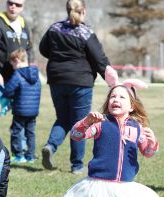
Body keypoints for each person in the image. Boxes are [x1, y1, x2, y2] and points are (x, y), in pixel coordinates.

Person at [60, 67, 164, 197]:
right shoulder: (100, 123)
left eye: (121, 97)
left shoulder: (137, 128)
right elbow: (76, 135)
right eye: (112, 96)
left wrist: (152, 143)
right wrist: (86, 122)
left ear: (132, 106)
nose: (115, 100)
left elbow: (147, 152)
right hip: (101, 184)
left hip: (126, 186)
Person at [39, 0, 111, 174]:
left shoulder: (54, 28)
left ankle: (51, 145)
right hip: (80, 81)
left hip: (57, 79)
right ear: (84, 11)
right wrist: (109, 77)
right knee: (80, 123)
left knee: (63, 118)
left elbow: (43, 49)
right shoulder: (85, 32)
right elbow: (99, 58)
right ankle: (77, 165)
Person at [0, 0, 32, 115]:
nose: (13, 7)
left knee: (21, 116)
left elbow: (29, 49)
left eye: (18, 5)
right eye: (10, 3)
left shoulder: (24, 25)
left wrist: (27, 70)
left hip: (20, 80)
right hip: (2, 79)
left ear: (22, 7)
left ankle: (16, 134)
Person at [0, 48, 41, 163]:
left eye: (12, 64)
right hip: (33, 110)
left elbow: (9, 91)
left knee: (16, 131)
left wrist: (2, 88)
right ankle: (30, 156)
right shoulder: (36, 74)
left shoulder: (18, 74)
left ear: (16, 60)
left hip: (20, 110)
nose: (12, 67)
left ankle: (18, 155)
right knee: (30, 133)